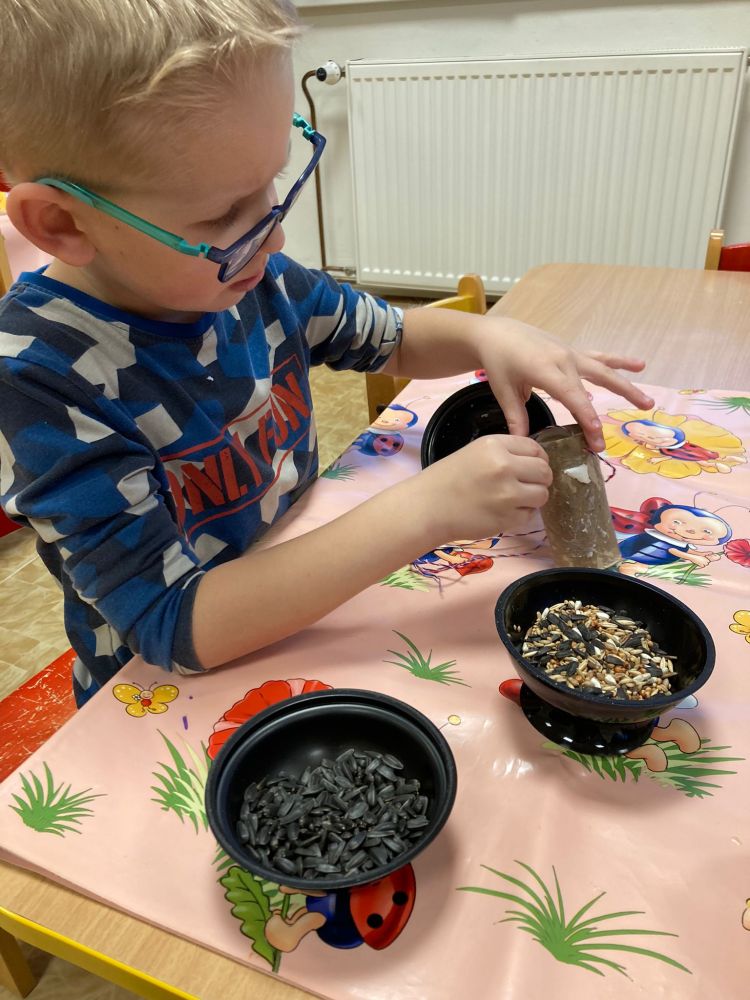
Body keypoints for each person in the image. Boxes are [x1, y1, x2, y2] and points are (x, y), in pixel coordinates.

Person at [0, 0, 653, 706]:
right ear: (62, 223)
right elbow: (171, 624)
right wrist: (425, 511)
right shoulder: (37, 377)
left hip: (299, 596)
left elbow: (392, 338)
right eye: (221, 214)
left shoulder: (253, 279)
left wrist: (486, 335)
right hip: (163, 692)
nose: (275, 236)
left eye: (273, 183)